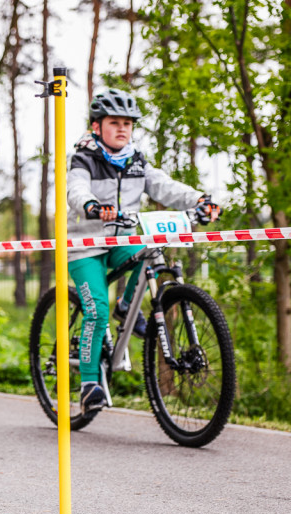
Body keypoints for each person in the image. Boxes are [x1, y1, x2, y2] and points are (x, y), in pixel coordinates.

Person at [68, 88, 221, 415]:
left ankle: (127, 306)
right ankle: (90, 384)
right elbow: (76, 189)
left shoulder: (136, 160)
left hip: (122, 240)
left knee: (151, 251)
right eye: (114, 122)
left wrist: (198, 200)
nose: (123, 128)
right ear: (97, 126)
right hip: (86, 245)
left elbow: (164, 185)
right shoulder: (83, 157)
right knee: (95, 309)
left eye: (128, 123)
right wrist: (92, 205)